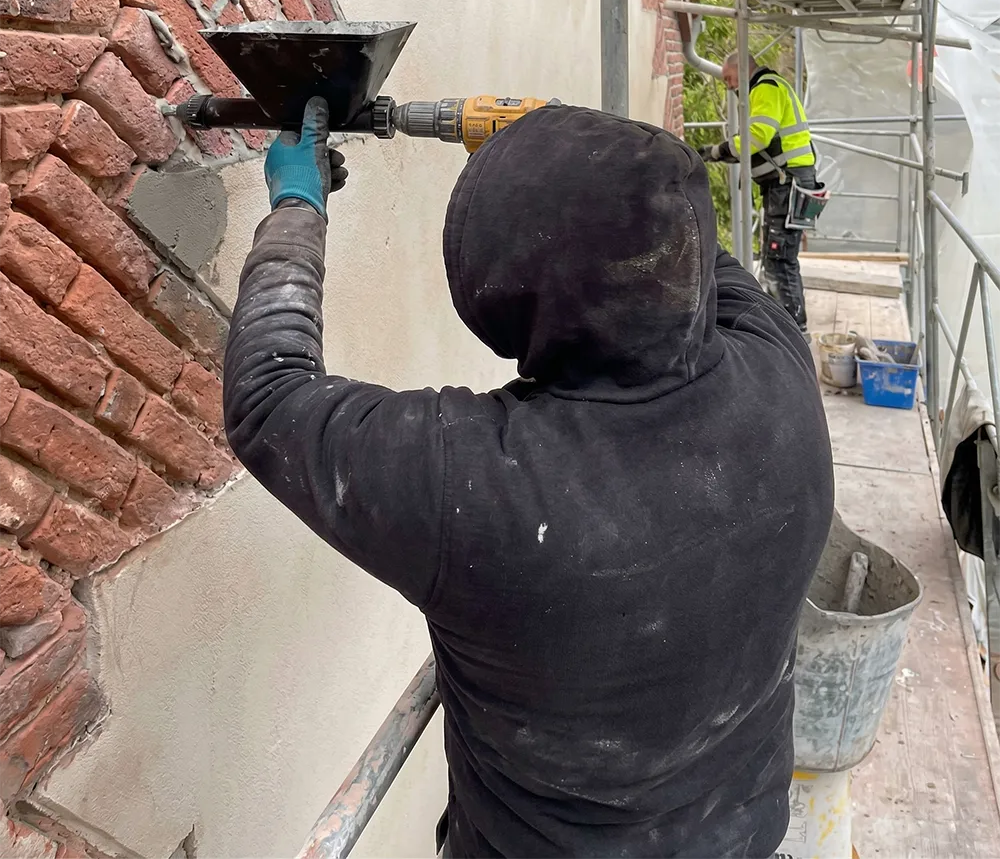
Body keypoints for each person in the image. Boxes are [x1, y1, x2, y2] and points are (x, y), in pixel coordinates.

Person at [224, 98, 834, 859]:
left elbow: (269, 396)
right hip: (743, 833)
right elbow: (690, 248)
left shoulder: (481, 486)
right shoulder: (781, 371)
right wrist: (573, 160)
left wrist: (296, 206)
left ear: (494, 293)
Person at [698, 53, 819, 334]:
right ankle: (790, 325)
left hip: (787, 182)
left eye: (728, 78)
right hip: (787, 182)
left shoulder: (766, 87)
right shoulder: (770, 86)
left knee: (779, 258)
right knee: (778, 256)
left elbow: (758, 136)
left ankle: (792, 331)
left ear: (742, 69)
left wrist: (718, 151)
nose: (728, 85)